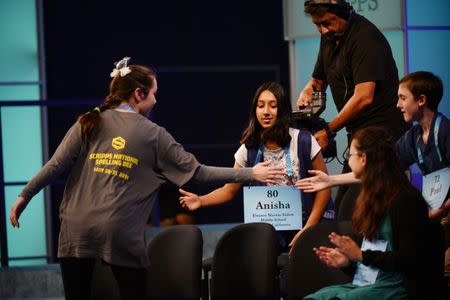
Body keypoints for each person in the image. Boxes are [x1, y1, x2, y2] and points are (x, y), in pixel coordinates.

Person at [8, 57, 285, 300]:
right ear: (139, 94)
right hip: (118, 230)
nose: (156, 100)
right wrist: (251, 172)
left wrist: (25, 195)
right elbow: (198, 172)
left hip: (74, 227)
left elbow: (55, 165)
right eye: (154, 93)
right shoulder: (153, 134)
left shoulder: (88, 121)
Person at [298, 70, 450, 293]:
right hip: (434, 216)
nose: (397, 105)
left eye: (402, 98)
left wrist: (442, 210)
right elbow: (377, 169)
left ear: (421, 100)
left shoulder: (445, 131)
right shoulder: (413, 137)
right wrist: (331, 180)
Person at [179, 81, 334, 253]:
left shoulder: (303, 140)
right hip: (271, 232)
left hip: (308, 225)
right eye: (261, 106)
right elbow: (229, 190)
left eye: (273, 106)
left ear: (282, 110)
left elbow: (324, 186)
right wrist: (200, 200)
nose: (266, 112)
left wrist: (308, 229)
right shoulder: (248, 147)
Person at [304, 127, 444, 300]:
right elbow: (373, 264)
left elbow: (410, 260)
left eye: (351, 155)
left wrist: (361, 255)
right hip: (371, 284)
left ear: (363, 159)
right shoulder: (373, 197)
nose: (348, 161)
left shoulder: (406, 200)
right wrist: (348, 262)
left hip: (399, 289)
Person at [297, 0, 407, 213]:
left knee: (359, 207)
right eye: (317, 25)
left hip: (381, 133)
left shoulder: (366, 38)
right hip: (357, 133)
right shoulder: (329, 36)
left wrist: (329, 129)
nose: (323, 30)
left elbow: (364, 96)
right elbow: (318, 79)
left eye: (327, 23)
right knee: (348, 207)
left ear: (345, 14)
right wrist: (309, 90)